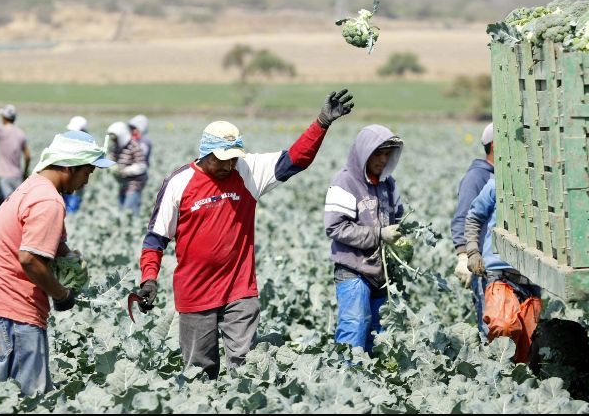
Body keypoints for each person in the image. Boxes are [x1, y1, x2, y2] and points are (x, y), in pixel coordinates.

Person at [137, 89, 354, 378]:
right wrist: (149, 278)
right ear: (205, 153)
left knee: (247, 370)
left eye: (232, 158)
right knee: (199, 373)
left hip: (240, 290)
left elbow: (295, 160)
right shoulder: (179, 183)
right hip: (195, 293)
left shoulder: (247, 169)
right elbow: (156, 239)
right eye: (221, 159)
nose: (228, 164)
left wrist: (322, 122)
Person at [0, 130, 115, 394]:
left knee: (8, 395)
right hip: (16, 315)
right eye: (87, 172)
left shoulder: (32, 186)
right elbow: (29, 259)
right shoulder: (48, 200)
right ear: (69, 167)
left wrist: (69, 257)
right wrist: (61, 294)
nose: (87, 181)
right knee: (31, 398)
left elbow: (44, 242)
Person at [324, 125, 404, 355]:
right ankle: (346, 381)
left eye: (387, 153)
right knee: (355, 327)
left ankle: (371, 385)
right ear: (364, 153)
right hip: (353, 269)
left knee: (378, 334)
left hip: (381, 272)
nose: (383, 159)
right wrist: (379, 234)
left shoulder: (388, 183)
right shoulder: (345, 182)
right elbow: (335, 227)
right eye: (378, 153)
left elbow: (398, 217)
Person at [464, 178, 542, 363]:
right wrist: (473, 251)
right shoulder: (495, 185)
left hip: (531, 278)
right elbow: (474, 217)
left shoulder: (543, 186)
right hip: (499, 275)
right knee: (502, 328)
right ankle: (492, 381)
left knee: (526, 350)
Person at [450, 123, 494, 336]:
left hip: (509, 267)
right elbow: (463, 218)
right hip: (485, 267)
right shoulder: (477, 177)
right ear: (495, 145)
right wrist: (463, 255)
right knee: (490, 327)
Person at [106, 121, 148, 215]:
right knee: (122, 211)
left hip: (134, 184)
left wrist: (125, 171)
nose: (114, 140)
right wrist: (110, 167)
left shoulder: (134, 145)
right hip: (122, 183)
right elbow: (113, 159)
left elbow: (142, 166)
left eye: (115, 138)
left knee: (129, 211)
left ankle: (134, 229)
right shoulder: (116, 146)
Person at [63, 116, 89, 214]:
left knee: (72, 209)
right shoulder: (67, 139)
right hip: (66, 180)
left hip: (76, 181)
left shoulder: (87, 143)